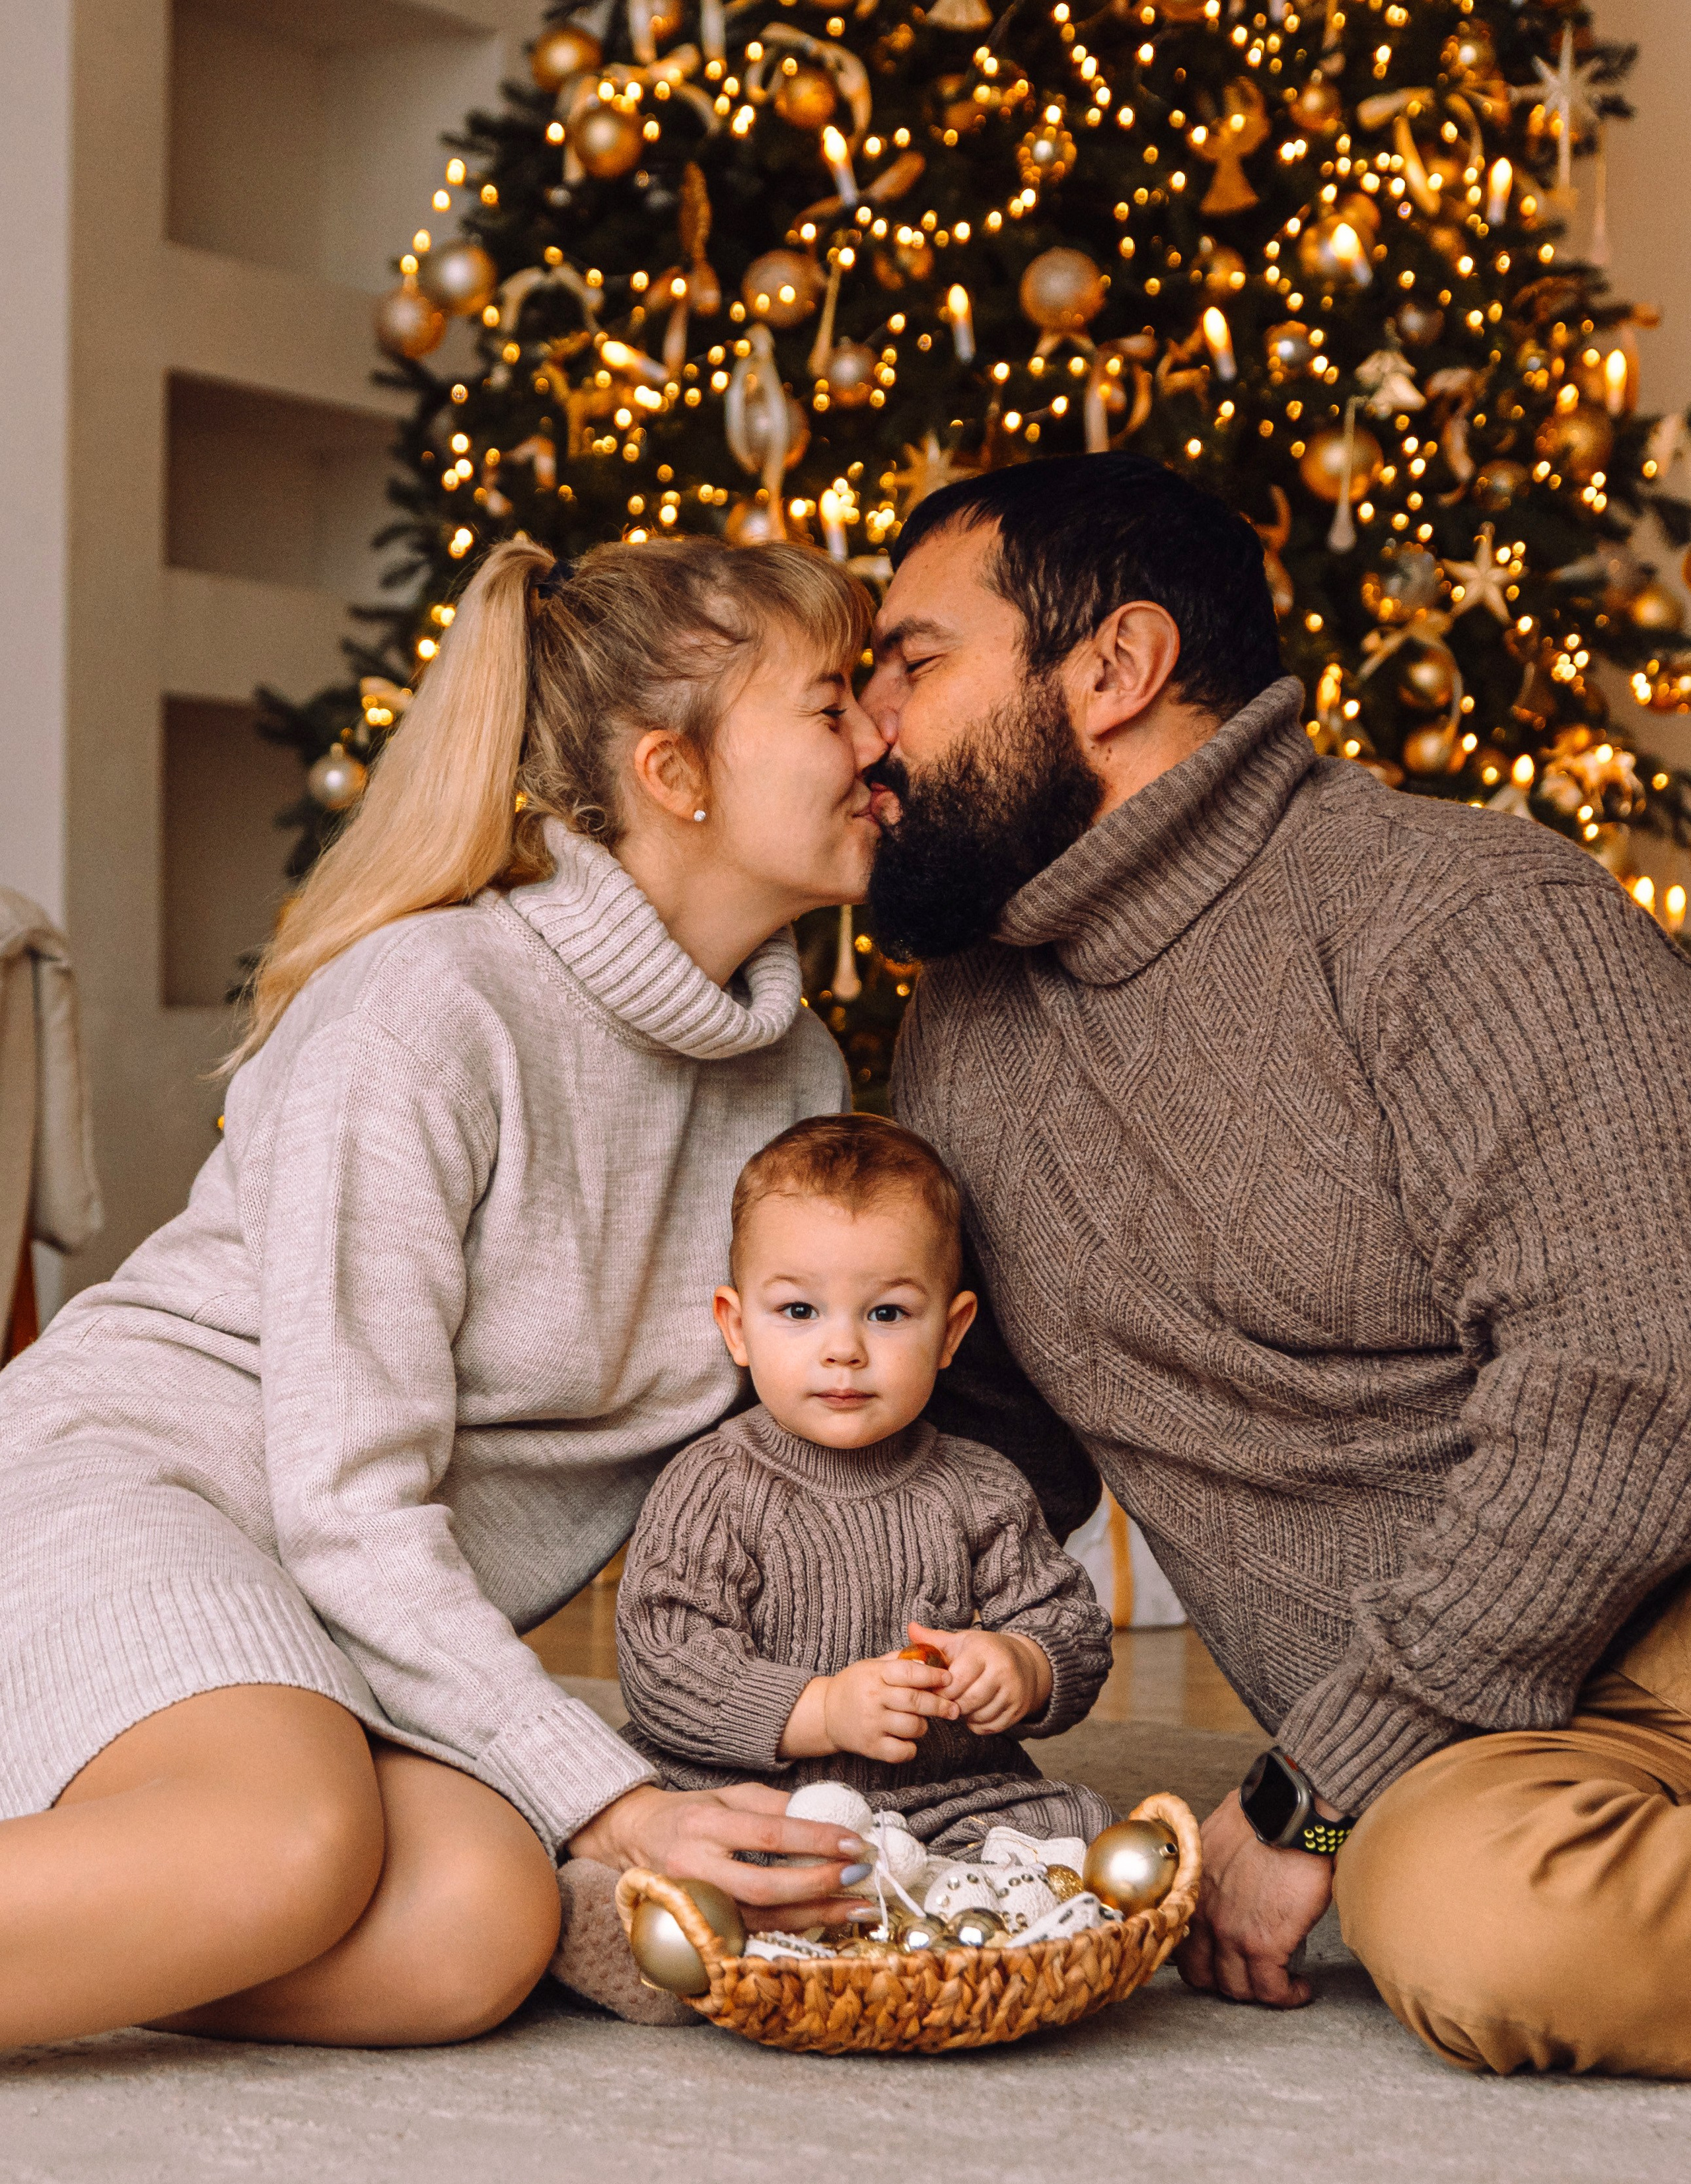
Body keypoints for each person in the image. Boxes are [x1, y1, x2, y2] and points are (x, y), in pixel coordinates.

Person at [0, 535, 895, 2051]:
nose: (882, 740)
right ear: (675, 775)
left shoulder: (793, 1079)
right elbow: (344, 1501)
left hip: (342, 1621)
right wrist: (607, 1798)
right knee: (285, 1843)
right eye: (830, 705)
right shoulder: (429, 1008)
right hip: (140, 1495)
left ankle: (109, 1895)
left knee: (476, 1918)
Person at [864, 450, 1691, 2078]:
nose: (866, 721)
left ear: (1111, 670)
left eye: (910, 659)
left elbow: (1635, 1385)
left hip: (1647, 1617)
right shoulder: (955, 1034)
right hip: (1496, 1739)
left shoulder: (1458, 912)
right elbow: (971, 1453)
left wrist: (1314, 1789)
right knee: (1473, 1924)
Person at [613, 1112, 1113, 1853]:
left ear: (948, 1330)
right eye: (799, 1310)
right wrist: (820, 1708)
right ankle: (867, 1897)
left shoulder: (983, 1487)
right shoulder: (713, 1483)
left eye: (886, 1312)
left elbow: (1068, 1620)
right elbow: (664, 1660)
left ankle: (919, 1904)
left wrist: (1023, 1663)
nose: (842, 1348)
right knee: (689, 1831)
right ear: (737, 1324)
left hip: (942, 1794)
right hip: (758, 1792)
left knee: (1080, 1824)